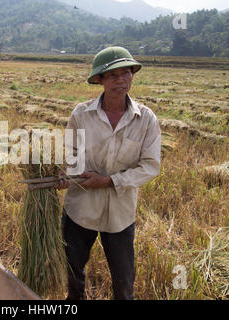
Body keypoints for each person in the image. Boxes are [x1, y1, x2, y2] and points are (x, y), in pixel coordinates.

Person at [54, 46, 161, 300]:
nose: (121, 80)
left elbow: (150, 166)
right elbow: (70, 153)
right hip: (81, 209)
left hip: (120, 215)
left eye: (126, 73)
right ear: (99, 80)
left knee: (124, 283)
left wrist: (110, 181)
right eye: (112, 75)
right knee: (72, 272)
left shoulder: (145, 119)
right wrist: (65, 174)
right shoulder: (81, 114)